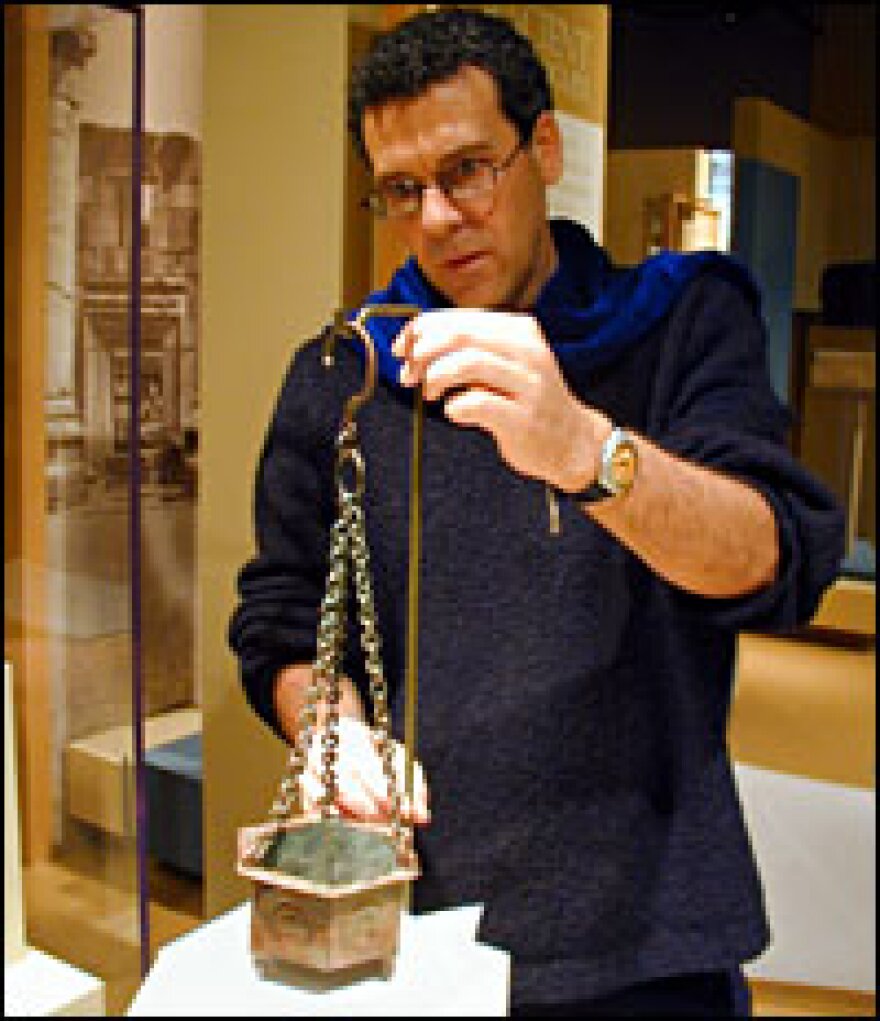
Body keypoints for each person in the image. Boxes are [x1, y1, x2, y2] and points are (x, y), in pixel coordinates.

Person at [228, 8, 845, 1016]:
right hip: (413, 914)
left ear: (543, 147)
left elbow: (774, 557)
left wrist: (585, 452)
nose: (436, 218)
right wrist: (332, 736)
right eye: (401, 189)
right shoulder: (342, 375)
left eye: (469, 168)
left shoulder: (682, 319)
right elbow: (284, 619)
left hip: (643, 933)